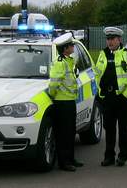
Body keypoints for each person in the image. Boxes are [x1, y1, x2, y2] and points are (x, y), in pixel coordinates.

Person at [95, 27, 127, 167]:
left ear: (119, 39)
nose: (110, 42)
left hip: (122, 98)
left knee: (123, 129)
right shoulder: (103, 54)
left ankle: (123, 156)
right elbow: (97, 74)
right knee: (109, 129)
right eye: (108, 39)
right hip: (107, 98)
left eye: (112, 39)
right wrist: (100, 93)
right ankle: (109, 156)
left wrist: (125, 94)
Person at [49, 33, 84, 172]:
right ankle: (64, 162)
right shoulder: (59, 63)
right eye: (71, 45)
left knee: (70, 132)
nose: (73, 46)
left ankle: (71, 158)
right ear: (65, 49)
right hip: (62, 103)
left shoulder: (68, 61)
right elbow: (54, 84)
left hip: (69, 102)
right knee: (63, 134)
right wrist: (53, 96)